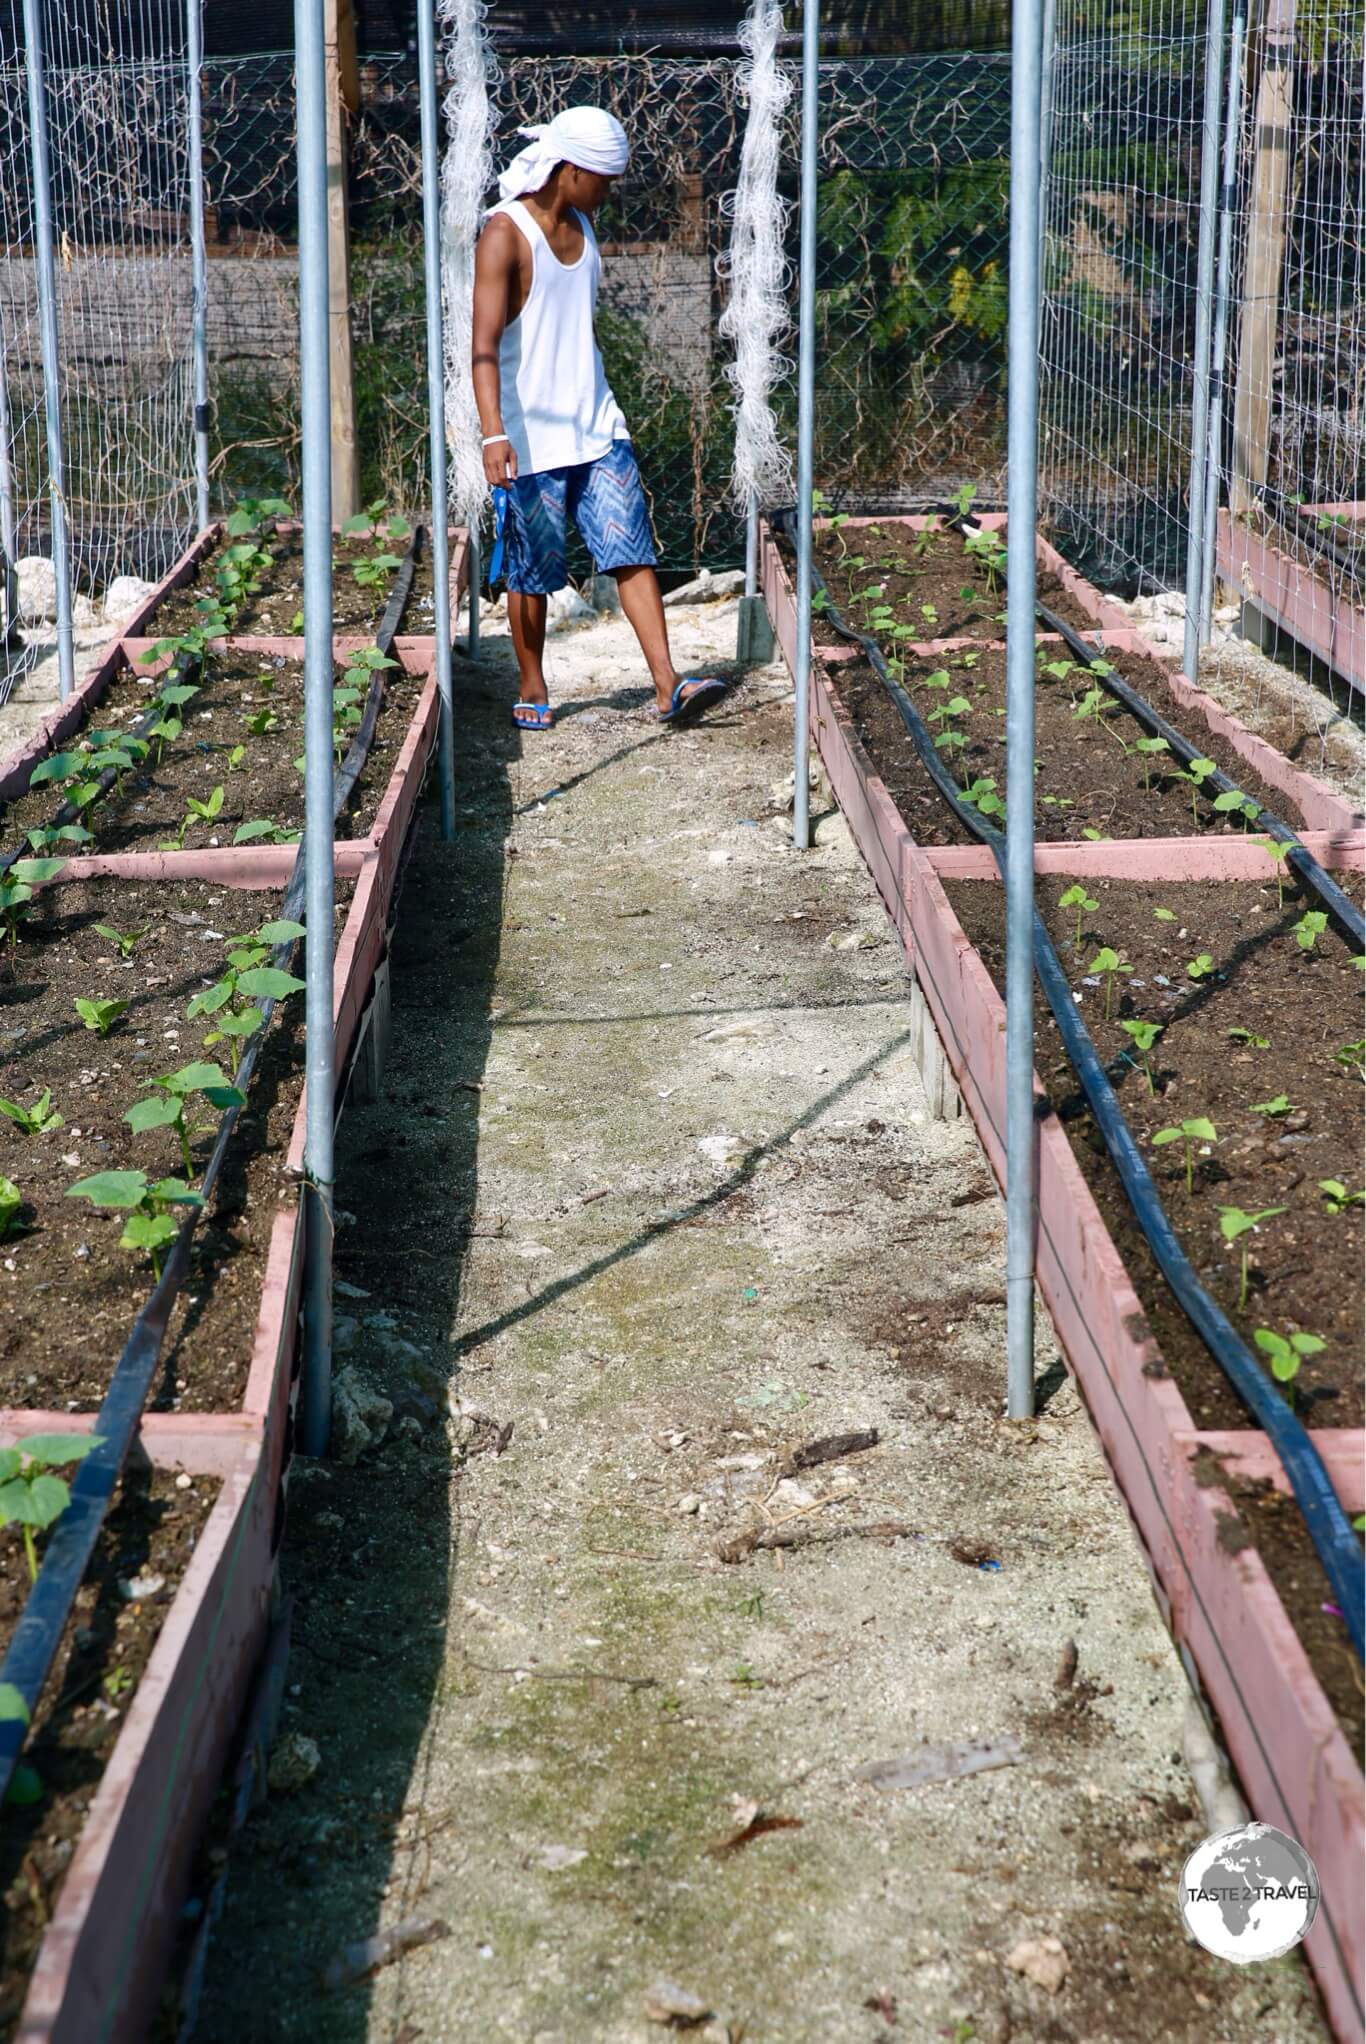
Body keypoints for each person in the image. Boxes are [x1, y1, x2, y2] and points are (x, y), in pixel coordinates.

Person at [471, 106, 727, 732]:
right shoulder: (504, 234)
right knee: (531, 571)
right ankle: (532, 682)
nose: (609, 192)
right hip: (529, 435)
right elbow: (480, 345)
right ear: (571, 170)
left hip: (596, 422)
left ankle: (668, 685)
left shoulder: (583, 224)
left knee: (631, 549)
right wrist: (493, 433)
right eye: (604, 179)